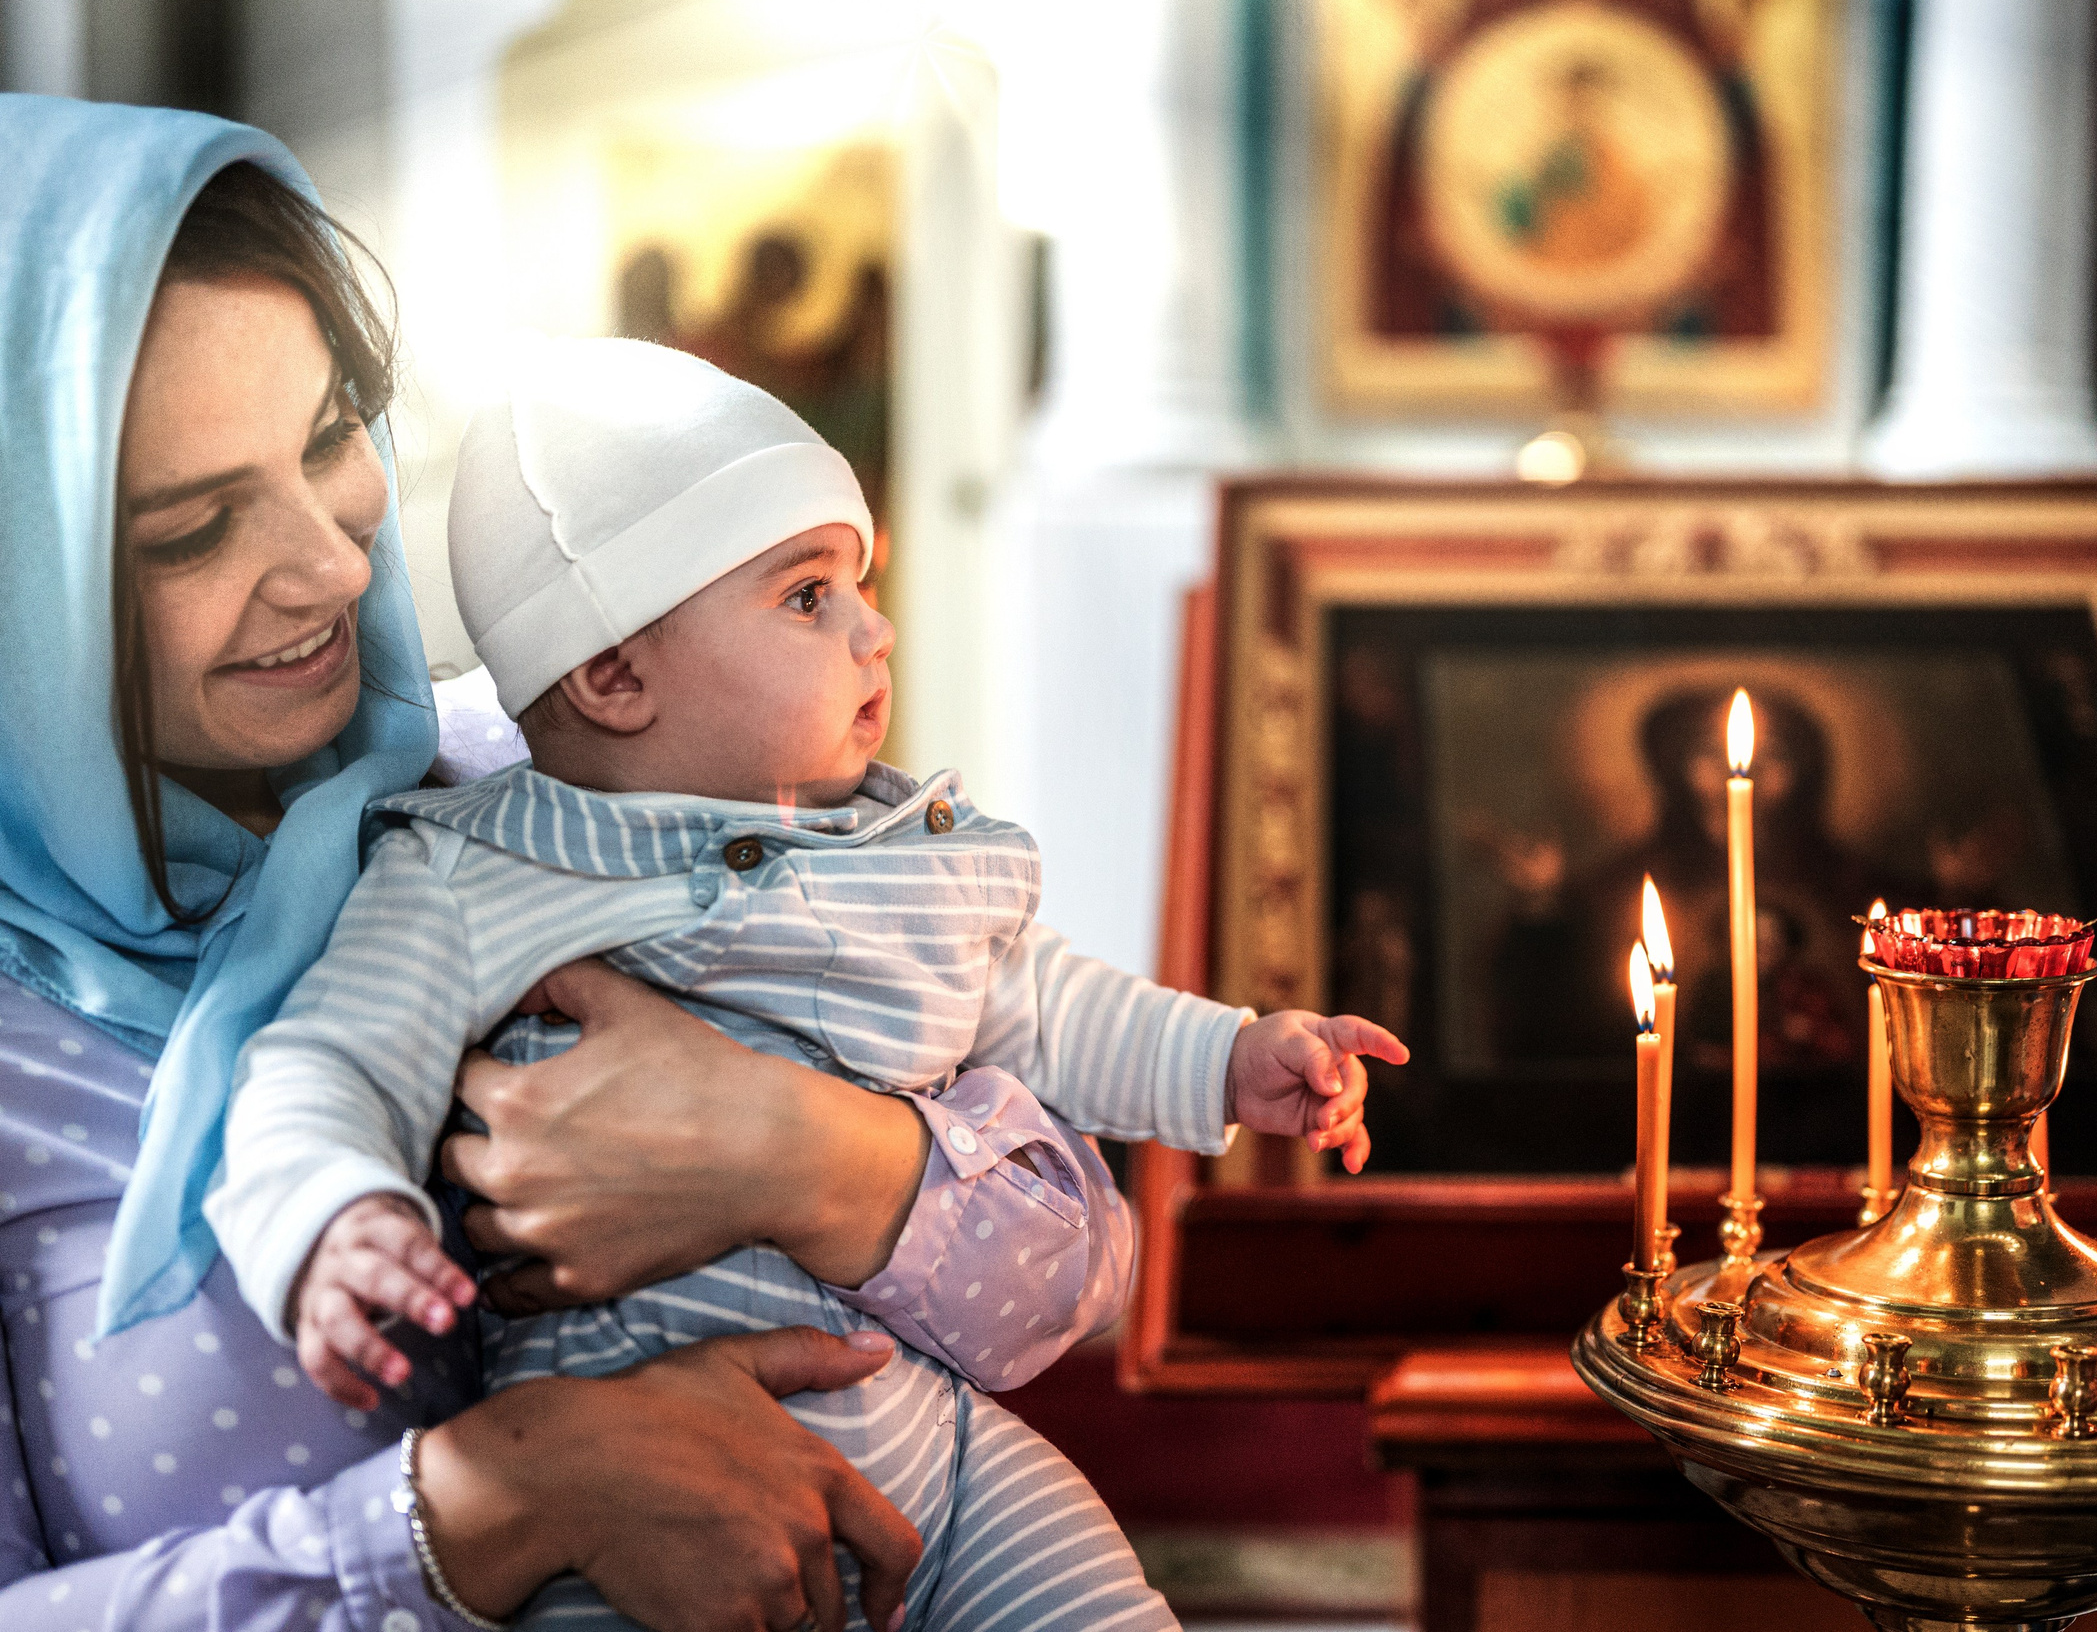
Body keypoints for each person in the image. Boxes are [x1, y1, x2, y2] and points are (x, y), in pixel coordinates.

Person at [0, 93, 1127, 1632]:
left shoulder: (561, 768)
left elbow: (1082, 1250)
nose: (337, 562)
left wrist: (802, 1150)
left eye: (333, 433)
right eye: (193, 528)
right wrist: (496, 1501)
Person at [201, 336, 1407, 1630]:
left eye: (861, 583)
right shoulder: (472, 872)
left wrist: (1228, 1056)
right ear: (614, 673)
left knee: (1102, 1600)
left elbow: (1050, 1006)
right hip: (637, 1470)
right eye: (806, 596)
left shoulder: (904, 858)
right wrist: (332, 1221)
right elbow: (327, 1062)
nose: (873, 627)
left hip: (930, 1441)